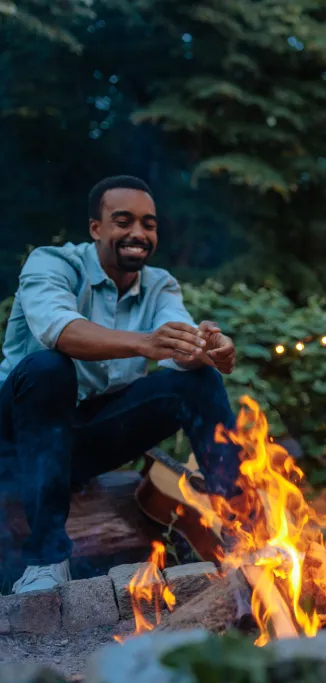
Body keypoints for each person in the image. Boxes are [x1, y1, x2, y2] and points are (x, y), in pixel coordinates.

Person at [0, 176, 241, 594]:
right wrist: (144, 342)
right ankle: (46, 559)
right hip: (17, 440)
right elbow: (61, 331)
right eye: (123, 221)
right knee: (48, 368)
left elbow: (180, 348)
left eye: (148, 224)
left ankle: (247, 534)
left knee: (199, 381)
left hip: (79, 443)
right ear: (96, 228)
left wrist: (212, 350)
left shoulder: (160, 284)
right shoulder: (51, 264)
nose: (138, 234)